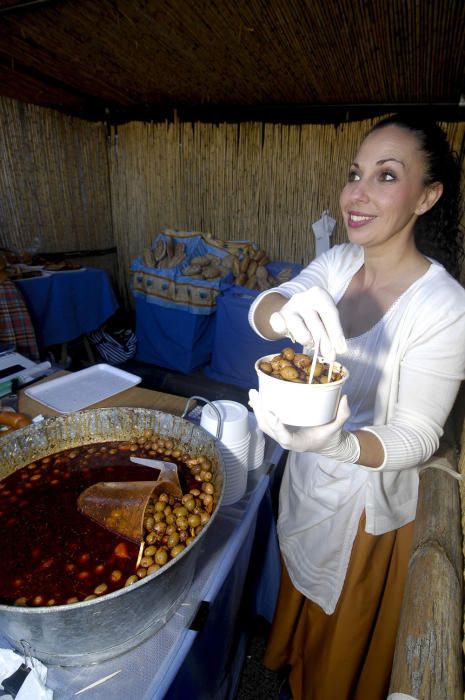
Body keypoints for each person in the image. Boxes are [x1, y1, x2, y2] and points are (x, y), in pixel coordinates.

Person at [247, 113, 465, 700]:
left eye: (386, 176)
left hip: (366, 504)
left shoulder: (444, 307)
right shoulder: (340, 263)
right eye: (354, 173)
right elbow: (271, 305)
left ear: (428, 196)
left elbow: (419, 436)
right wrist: (280, 311)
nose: (356, 194)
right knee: (299, 571)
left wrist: (340, 444)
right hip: (308, 475)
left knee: (339, 626)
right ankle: (289, 666)